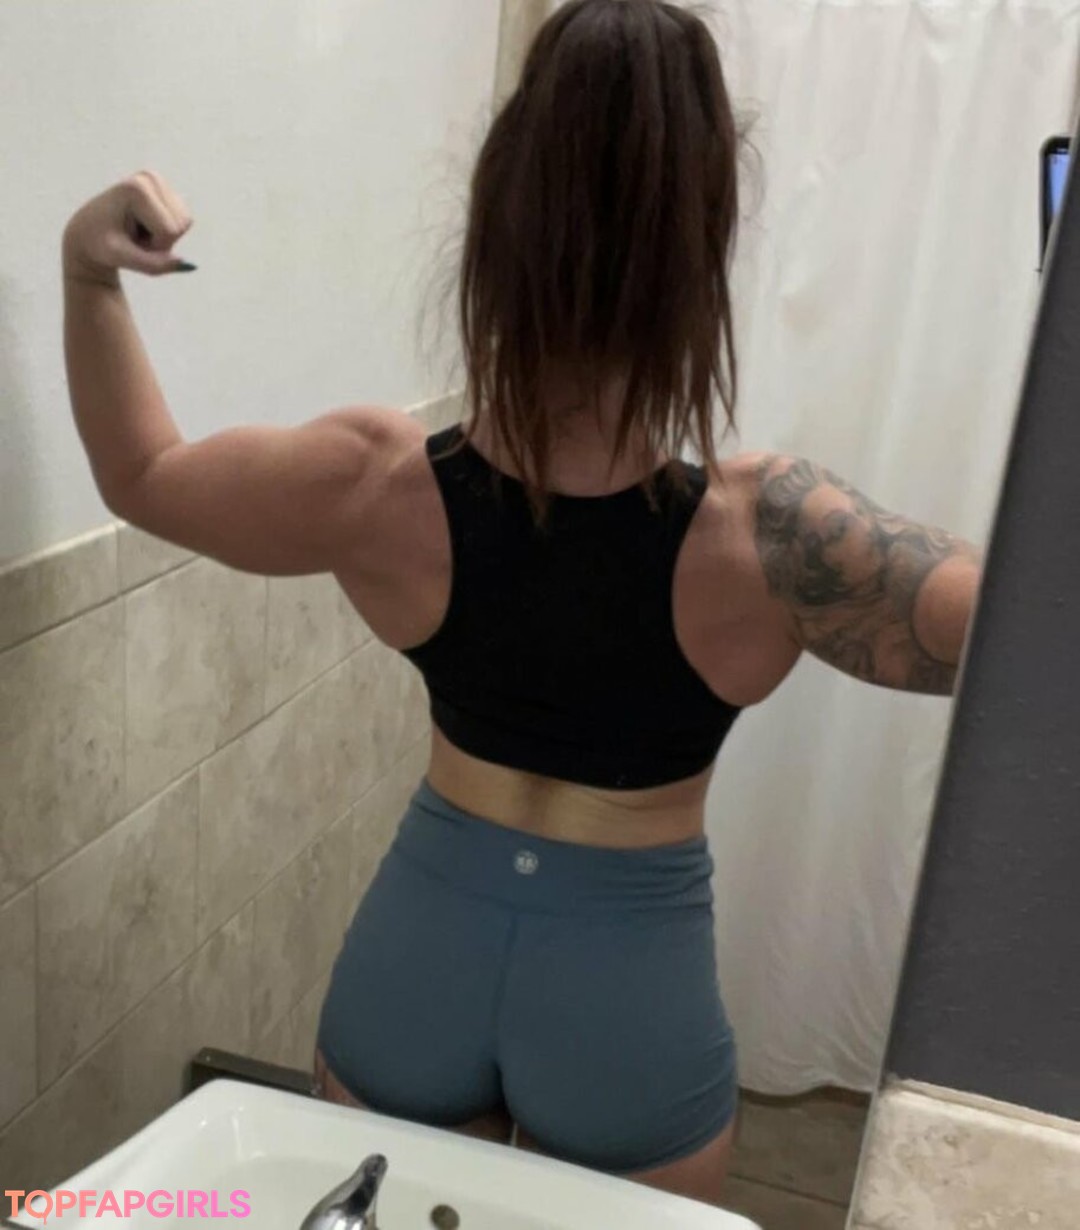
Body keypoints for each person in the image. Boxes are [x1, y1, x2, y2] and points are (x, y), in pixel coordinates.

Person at [60, 0, 981, 1209]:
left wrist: (87, 271)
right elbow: (1024, 639)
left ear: (495, 222)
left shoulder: (375, 482)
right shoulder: (778, 536)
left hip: (417, 958)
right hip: (627, 995)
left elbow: (143, 474)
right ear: (701, 254)